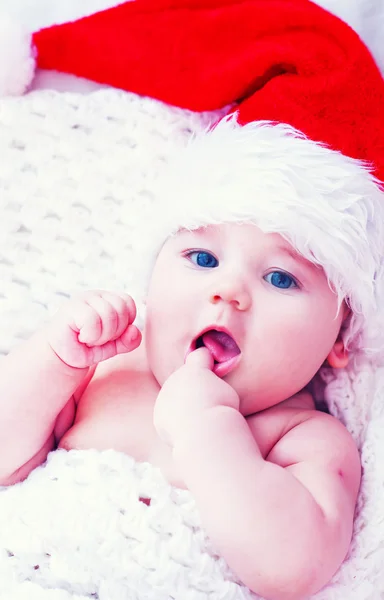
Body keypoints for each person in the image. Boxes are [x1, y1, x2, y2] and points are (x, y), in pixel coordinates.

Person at [1, 114, 383, 600]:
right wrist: (51, 360)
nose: (228, 291)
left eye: (280, 278)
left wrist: (208, 427)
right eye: (203, 259)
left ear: (340, 340)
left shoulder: (305, 438)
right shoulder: (105, 374)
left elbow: (293, 568)